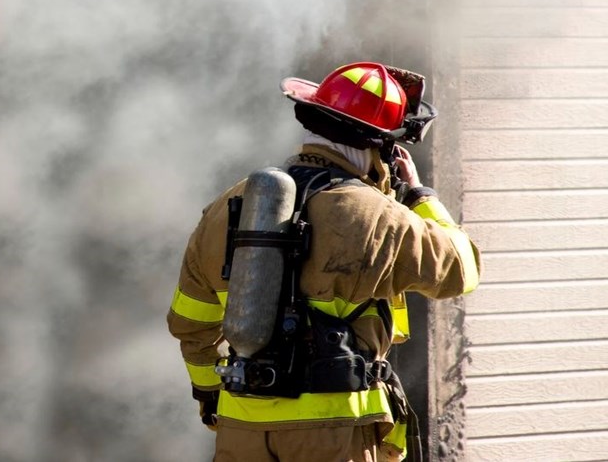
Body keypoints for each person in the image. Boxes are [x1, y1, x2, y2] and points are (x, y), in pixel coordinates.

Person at [167, 62, 481, 462]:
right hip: (332, 436)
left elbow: (190, 323)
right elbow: (462, 269)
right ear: (379, 147)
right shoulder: (379, 215)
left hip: (240, 431)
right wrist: (420, 196)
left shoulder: (231, 205)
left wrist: (213, 395)